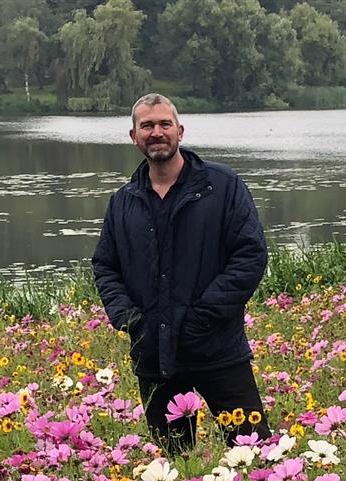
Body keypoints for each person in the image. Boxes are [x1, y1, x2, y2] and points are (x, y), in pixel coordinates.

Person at [92, 93, 271, 453]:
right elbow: (105, 266)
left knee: (255, 456)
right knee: (175, 464)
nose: (156, 132)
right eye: (147, 126)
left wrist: (203, 318)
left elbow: (250, 256)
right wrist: (132, 322)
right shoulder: (124, 200)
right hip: (155, 359)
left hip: (218, 351)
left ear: (180, 131)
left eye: (164, 124)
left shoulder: (222, 187)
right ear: (134, 136)